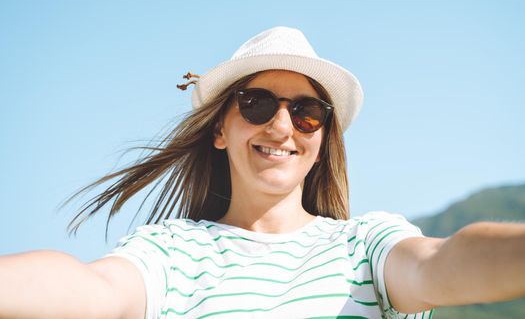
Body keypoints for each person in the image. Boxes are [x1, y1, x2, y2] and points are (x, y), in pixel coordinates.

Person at [1, 26, 524, 319]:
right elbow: (89, 289)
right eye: (255, 104)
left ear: (321, 141)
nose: (281, 126)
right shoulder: (172, 253)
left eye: (306, 111)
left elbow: (441, 261)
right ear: (219, 129)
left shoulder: (364, 246)